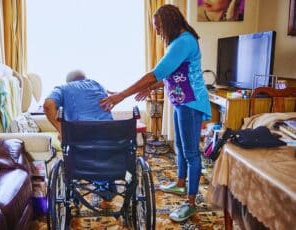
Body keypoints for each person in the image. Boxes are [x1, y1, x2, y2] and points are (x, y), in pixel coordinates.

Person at [100, 4, 211, 221]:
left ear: (169, 22)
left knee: (191, 153)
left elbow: (154, 74)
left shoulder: (184, 42)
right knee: (180, 146)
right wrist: (150, 87)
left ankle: (191, 203)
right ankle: (180, 183)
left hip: (191, 103)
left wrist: (121, 96)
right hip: (182, 101)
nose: (157, 32)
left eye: (159, 27)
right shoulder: (179, 42)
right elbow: (170, 76)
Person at [43, 70, 115, 200]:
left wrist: (62, 130)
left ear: (69, 81)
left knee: (67, 139)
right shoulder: (97, 85)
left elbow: (48, 105)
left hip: (82, 142)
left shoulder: (63, 88)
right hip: (110, 140)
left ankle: (95, 180)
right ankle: (104, 181)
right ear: (85, 79)